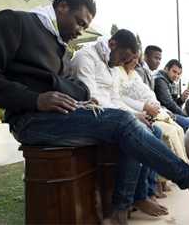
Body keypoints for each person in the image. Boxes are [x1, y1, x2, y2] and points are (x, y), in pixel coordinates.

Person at [0, 0, 189, 224]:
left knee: (135, 128)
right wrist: (34, 99)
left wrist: (80, 95)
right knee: (123, 122)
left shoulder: (58, 45)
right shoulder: (15, 22)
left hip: (59, 115)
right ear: (62, 7)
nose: (80, 31)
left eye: (85, 27)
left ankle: (121, 210)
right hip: (29, 120)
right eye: (79, 22)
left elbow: (74, 87)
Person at [71, 33, 168, 217]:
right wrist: (129, 116)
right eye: (122, 58)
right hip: (92, 115)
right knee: (134, 131)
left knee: (153, 131)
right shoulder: (85, 57)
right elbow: (92, 99)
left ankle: (142, 195)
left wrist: (137, 114)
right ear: (112, 44)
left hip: (112, 115)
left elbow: (115, 99)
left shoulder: (112, 66)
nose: (122, 63)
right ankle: (125, 203)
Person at [115, 46, 189, 199]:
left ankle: (178, 173)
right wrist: (145, 107)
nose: (135, 61)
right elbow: (117, 97)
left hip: (150, 112)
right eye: (133, 57)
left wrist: (156, 107)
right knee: (163, 132)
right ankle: (155, 186)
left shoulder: (135, 73)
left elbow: (151, 96)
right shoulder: (117, 71)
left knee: (177, 129)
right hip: (136, 113)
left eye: (137, 58)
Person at [154, 59, 189, 132]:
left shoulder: (171, 82)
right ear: (166, 69)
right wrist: (184, 115)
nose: (176, 75)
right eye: (174, 72)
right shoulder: (160, 80)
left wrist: (181, 99)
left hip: (169, 112)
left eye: (178, 73)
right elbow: (169, 103)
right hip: (162, 112)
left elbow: (174, 103)